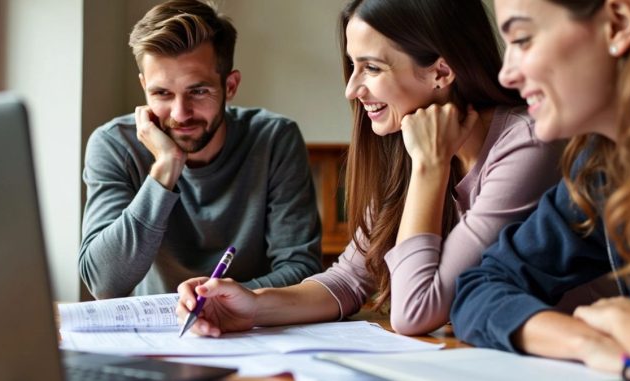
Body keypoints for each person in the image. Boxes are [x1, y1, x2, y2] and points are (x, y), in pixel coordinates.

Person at [175, 0, 568, 337]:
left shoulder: (526, 144)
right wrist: (253, 305)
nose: (351, 89)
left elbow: (416, 311)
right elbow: (348, 279)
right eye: (352, 65)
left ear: (441, 73)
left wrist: (429, 168)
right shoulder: (403, 143)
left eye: (372, 68)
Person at [450, 0, 630, 378]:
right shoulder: (601, 169)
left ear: (618, 25)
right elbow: (479, 288)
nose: (506, 74)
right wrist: (586, 342)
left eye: (522, 39)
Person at [79, 0, 322, 299]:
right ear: (144, 87)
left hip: (252, 330)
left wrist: (222, 301)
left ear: (230, 86)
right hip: (156, 337)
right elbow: (104, 283)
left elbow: (301, 268)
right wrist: (166, 166)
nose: (180, 114)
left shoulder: (274, 139)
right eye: (162, 93)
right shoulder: (114, 144)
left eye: (198, 91)